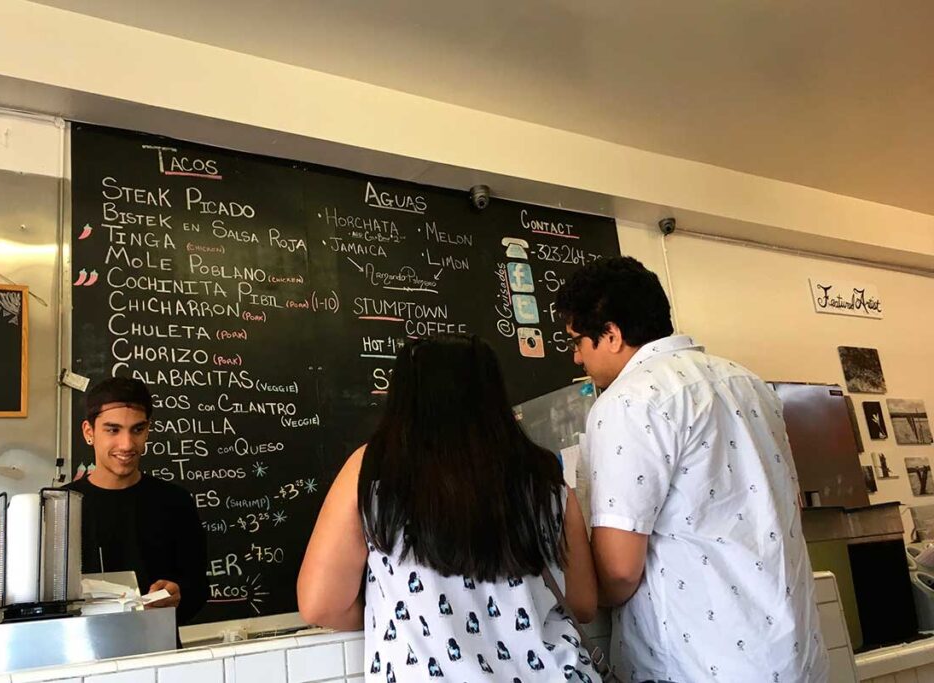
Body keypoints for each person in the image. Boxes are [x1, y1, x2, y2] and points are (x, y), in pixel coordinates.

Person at [556, 256, 828, 683]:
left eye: (577, 341)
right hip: (793, 654)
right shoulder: (750, 384)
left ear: (611, 335)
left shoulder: (629, 400)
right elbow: (790, 505)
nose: (576, 357)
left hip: (698, 662)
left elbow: (620, 569)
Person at [298, 334, 600, 682]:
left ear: (403, 397)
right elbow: (582, 603)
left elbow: (321, 603)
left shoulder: (372, 470)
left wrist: (406, 606)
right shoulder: (544, 477)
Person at [64, 376, 209, 627]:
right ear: (89, 432)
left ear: (148, 430)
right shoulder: (61, 507)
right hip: (79, 654)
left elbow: (197, 588)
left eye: (137, 430)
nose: (127, 444)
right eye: (112, 429)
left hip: (156, 650)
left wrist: (177, 594)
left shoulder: (175, 502)